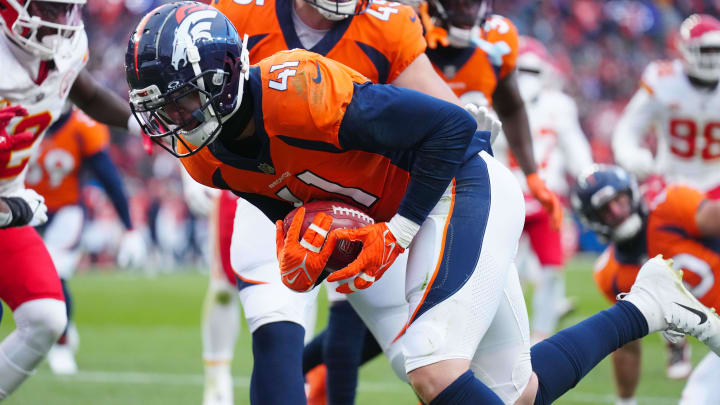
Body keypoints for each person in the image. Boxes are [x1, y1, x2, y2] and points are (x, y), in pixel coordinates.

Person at [126, 4, 720, 404]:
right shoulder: (201, 157)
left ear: (224, 80)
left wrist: (400, 231)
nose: (171, 123)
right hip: (402, 213)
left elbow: (456, 133)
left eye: (178, 104)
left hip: (459, 188)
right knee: (517, 391)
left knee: (431, 363)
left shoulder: (295, 89)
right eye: (160, 110)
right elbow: (283, 200)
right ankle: (646, 306)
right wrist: (305, 234)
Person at [194, 0, 519, 402]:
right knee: (275, 321)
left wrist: (470, 141)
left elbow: (447, 119)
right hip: (273, 186)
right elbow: (193, 93)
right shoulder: (240, 11)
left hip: (363, 203)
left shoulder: (388, 24)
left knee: (418, 356)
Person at [0, 0, 141, 398]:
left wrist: (140, 123)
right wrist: (11, 209)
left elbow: (85, 92)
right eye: (49, 9)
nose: (61, 23)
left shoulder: (64, 47)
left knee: (46, 316)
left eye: (67, 10)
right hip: (8, 208)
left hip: (7, 203)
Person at [572, 164, 720, 405]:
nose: (617, 212)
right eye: (605, 211)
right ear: (592, 220)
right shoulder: (612, 274)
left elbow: (714, 216)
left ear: (631, 193)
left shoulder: (670, 205)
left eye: (618, 201)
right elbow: (628, 345)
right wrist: (626, 401)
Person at [419, 0, 563, 230]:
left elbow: (510, 106)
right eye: (459, 3)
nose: (468, 11)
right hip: (408, 167)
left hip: (466, 170)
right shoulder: (409, 28)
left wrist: (532, 175)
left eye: (474, 3)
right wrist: (413, 38)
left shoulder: (497, 37)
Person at [25, 105, 145, 375]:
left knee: (54, 275)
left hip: (66, 210)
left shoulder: (82, 126)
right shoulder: (23, 115)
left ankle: (62, 343)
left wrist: (129, 227)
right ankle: (60, 328)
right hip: (23, 208)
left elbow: (109, 178)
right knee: (27, 279)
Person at [492, 36, 593, 342]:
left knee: (551, 269)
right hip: (506, 197)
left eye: (532, 72)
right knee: (498, 270)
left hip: (546, 198)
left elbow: (575, 146)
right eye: (519, 71)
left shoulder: (558, 106)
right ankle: (500, 332)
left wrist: (588, 175)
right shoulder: (489, 99)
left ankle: (542, 336)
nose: (525, 79)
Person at [613, 14, 720, 199]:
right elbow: (628, 128)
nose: (712, 57)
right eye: (706, 50)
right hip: (670, 182)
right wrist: (630, 156)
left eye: (716, 50)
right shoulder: (663, 80)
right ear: (685, 49)